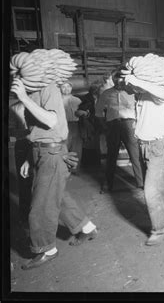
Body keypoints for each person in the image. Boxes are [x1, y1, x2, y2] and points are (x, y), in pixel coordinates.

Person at [10, 77, 98, 270]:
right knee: (58, 196)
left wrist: (24, 98)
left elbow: (50, 121)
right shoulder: (34, 92)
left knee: (40, 206)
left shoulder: (48, 88)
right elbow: (36, 131)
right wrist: (28, 158)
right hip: (40, 151)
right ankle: (86, 227)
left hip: (52, 153)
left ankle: (46, 250)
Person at [122, 74, 164, 246]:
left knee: (151, 191)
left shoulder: (159, 92)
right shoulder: (141, 96)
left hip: (158, 147)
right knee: (159, 187)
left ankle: (158, 228)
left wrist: (138, 81)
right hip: (145, 146)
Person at [95, 68, 144, 193]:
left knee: (135, 155)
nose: (118, 82)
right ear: (113, 80)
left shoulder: (133, 92)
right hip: (113, 125)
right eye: (115, 79)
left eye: (121, 79)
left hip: (129, 125)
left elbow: (140, 110)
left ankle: (141, 183)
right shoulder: (106, 93)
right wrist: (105, 126)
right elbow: (98, 111)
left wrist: (136, 124)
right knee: (111, 155)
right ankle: (108, 185)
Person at [9, 101, 32, 225]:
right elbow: (11, 131)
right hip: (23, 145)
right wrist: (28, 133)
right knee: (24, 181)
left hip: (38, 144)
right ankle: (25, 216)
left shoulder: (38, 102)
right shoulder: (14, 108)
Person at [75, 82, 102, 167]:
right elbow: (80, 111)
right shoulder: (86, 98)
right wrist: (87, 114)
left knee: (96, 143)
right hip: (88, 123)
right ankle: (88, 164)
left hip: (97, 122)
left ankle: (95, 163)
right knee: (88, 142)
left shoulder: (101, 97)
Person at [60, 82, 83, 172]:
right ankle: (63, 169)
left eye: (68, 86)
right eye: (63, 87)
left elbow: (85, 112)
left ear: (71, 88)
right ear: (60, 88)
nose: (66, 89)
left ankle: (74, 169)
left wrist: (84, 113)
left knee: (76, 147)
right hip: (62, 125)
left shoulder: (77, 100)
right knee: (63, 146)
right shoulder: (57, 100)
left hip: (76, 125)